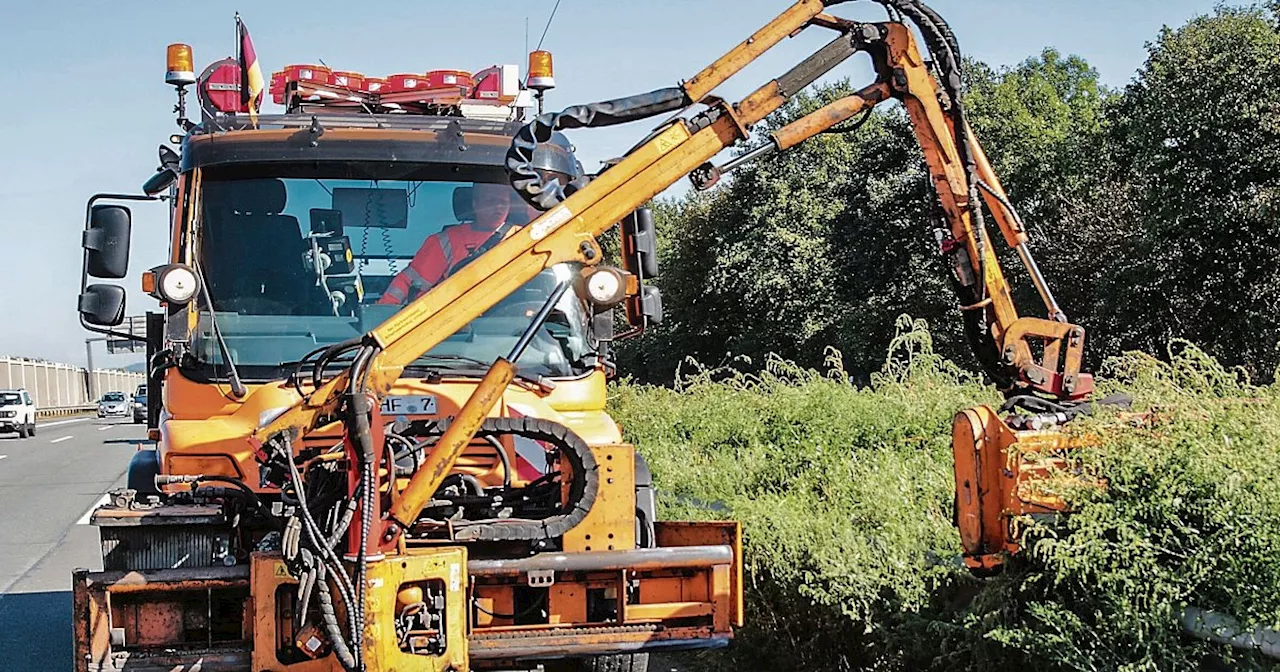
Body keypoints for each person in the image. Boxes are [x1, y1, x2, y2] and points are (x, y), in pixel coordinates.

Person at [378, 182, 529, 305]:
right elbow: (407, 285)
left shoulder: (525, 238)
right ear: (475, 204)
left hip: (511, 328)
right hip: (451, 332)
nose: (499, 207)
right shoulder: (446, 241)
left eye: (503, 202)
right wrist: (381, 318)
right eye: (491, 201)